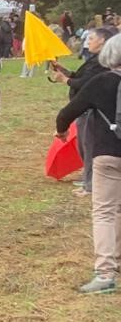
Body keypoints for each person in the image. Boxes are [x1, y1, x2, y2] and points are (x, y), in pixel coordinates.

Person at [55, 33, 121, 294]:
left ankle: (105, 272)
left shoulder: (100, 82)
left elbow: (67, 113)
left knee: (105, 211)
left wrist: (61, 132)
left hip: (107, 152)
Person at [52, 26, 119, 197]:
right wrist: (65, 70)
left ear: (103, 41)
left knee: (91, 148)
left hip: (95, 115)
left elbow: (84, 86)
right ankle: (88, 181)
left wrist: (65, 79)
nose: (88, 42)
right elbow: (81, 77)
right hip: (89, 114)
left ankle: (90, 185)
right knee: (85, 147)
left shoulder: (101, 65)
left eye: (91, 39)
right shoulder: (94, 61)